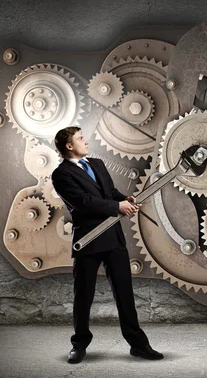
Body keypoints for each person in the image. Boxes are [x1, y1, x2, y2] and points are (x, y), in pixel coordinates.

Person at [51, 126, 163, 363]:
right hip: (88, 240)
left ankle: (139, 345)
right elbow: (84, 202)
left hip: (113, 238)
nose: (85, 140)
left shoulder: (97, 165)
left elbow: (109, 192)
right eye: (80, 138)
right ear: (69, 146)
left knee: (125, 294)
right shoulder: (61, 175)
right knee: (84, 296)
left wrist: (124, 200)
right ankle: (79, 345)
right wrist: (117, 207)